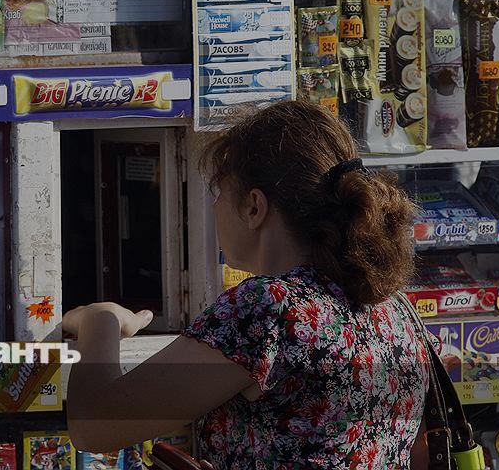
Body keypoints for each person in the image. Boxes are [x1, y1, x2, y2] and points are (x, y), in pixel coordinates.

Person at [63, 101, 431, 468]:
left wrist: (101, 321)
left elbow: (94, 424)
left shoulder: (268, 308)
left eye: (219, 192)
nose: (214, 207)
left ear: (254, 207)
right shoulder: (395, 309)